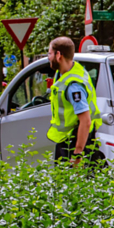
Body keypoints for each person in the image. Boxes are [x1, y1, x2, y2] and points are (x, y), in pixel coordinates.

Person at [46, 36, 103, 166]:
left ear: (58, 55)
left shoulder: (73, 86)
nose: (48, 57)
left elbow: (86, 121)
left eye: (49, 53)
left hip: (74, 144)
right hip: (68, 141)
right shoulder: (69, 72)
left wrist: (77, 154)